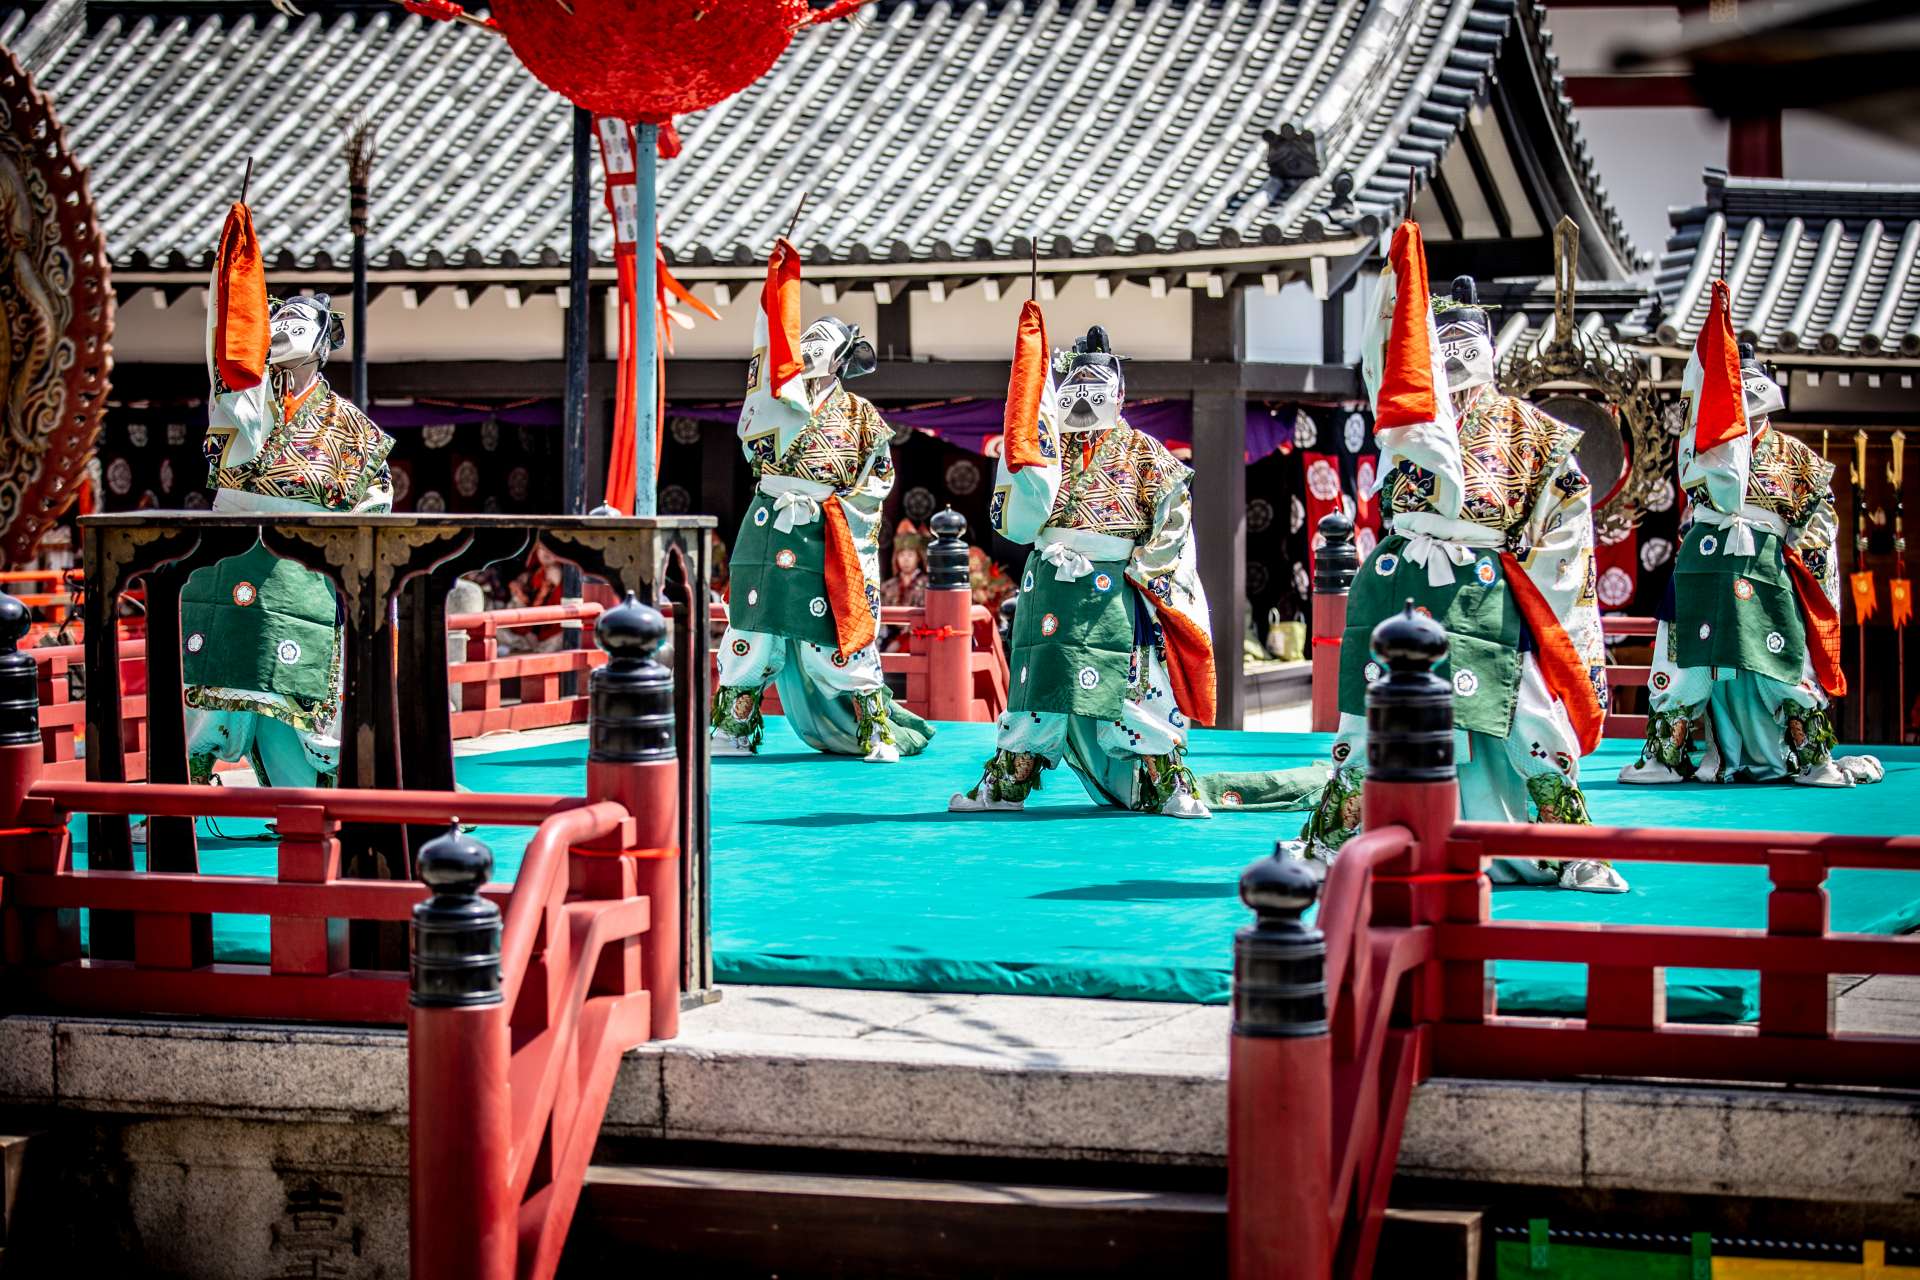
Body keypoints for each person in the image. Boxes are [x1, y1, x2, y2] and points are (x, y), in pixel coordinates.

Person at [1298, 226, 1622, 892]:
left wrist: (1534, 582)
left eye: (1465, 342)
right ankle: (1340, 839)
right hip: (1400, 579)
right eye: (1442, 342)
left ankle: (1564, 844)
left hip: (1484, 586)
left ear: (1489, 349)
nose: (1453, 354)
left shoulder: (1530, 429)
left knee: (1523, 714)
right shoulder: (1409, 417)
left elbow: (1563, 517)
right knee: (1370, 719)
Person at [950, 311, 1216, 818]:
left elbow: (1173, 515)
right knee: (1037, 690)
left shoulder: (1144, 451)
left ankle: (1168, 784)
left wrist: (1144, 571)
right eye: (1074, 384)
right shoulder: (1044, 449)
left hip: (1113, 586)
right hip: (1051, 580)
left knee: (1135, 691)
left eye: (1097, 385)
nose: (1083, 395)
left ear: (1119, 393)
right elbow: (1017, 509)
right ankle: (1007, 785)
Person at [1620, 296, 1882, 788]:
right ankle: (1666, 754)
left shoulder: (1797, 459)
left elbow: (1819, 528)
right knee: (1684, 666)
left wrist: (1799, 569)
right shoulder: (1702, 448)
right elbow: (1689, 516)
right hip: (1703, 565)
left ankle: (1808, 756)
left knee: (1781, 664)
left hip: (1767, 569)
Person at [181, 198, 394, 789]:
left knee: (298, 709)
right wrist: (233, 272)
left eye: (299, 321)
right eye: (279, 317)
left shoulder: (354, 428)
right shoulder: (242, 402)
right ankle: (183, 795)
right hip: (228, 563)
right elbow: (226, 341)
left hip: (308, 574)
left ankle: (306, 798)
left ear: (324, 342)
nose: (283, 327)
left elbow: (374, 509)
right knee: (211, 684)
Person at [709, 236, 931, 761]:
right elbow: (752, 446)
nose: (808, 349)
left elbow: (876, 482)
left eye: (820, 343)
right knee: (752, 627)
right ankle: (735, 728)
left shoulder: (861, 416)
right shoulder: (775, 401)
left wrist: (838, 514)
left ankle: (875, 730)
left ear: (842, 359)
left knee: (834, 633)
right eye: (805, 339)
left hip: (827, 527)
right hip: (769, 521)